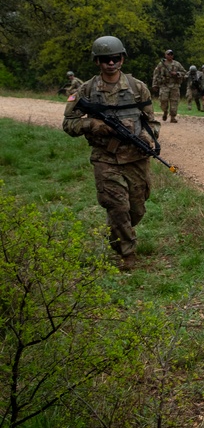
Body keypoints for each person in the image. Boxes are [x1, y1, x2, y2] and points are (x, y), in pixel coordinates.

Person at [62, 36, 160, 270]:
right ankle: (128, 253)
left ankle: (116, 231)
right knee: (118, 207)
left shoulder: (138, 88)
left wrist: (148, 138)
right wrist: (92, 125)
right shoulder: (84, 90)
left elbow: (152, 122)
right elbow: (68, 124)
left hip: (136, 157)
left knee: (137, 208)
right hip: (105, 158)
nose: (111, 63)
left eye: (115, 58)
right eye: (105, 59)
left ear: (122, 59)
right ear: (97, 62)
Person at [151, 49, 185, 122]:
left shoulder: (177, 64)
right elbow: (156, 74)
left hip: (174, 85)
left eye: (171, 54)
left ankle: (173, 117)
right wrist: (154, 84)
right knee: (163, 100)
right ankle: (165, 111)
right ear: (165, 55)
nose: (170, 56)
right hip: (164, 85)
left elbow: (184, 73)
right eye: (168, 54)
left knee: (174, 101)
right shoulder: (161, 64)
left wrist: (177, 73)